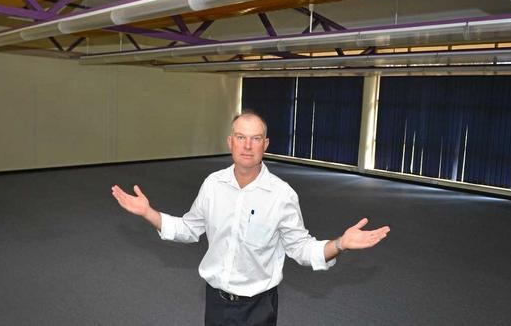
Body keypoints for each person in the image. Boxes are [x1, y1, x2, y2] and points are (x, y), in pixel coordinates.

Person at [112, 110, 390, 326]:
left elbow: (301, 249)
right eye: (241, 137)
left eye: (256, 138)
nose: (247, 145)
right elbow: (188, 229)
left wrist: (340, 243)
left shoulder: (282, 195)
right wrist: (149, 213)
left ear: (265, 144)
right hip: (216, 302)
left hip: (259, 308)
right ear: (230, 142)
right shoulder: (212, 185)